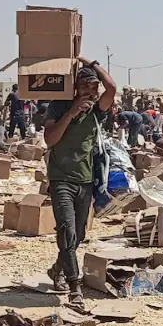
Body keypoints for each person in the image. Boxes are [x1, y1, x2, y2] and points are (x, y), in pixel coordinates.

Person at [44, 58, 116, 307]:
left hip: (85, 180)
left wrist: (90, 62)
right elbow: (50, 139)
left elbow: (112, 88)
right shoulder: (58, 106)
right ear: (75, 87)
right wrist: (72, 112)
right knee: (66, 230)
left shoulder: (97, 111)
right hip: (60, 178)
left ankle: (57, 269)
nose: (91, 92)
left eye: (94, 88)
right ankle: (75, 287)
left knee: (79, 235)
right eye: (85, 86)